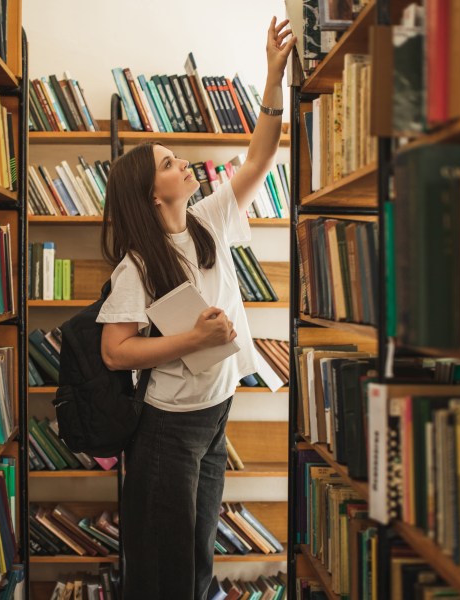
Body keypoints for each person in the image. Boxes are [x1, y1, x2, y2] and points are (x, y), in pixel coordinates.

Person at [96, 17, 295, 600]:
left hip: (215, 411)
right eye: (167, 163)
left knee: (197, 554)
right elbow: (115, 352)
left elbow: (258, 159)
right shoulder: (136, 264)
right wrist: (192, 342)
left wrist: (273, 76)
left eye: (175, 156)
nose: (181, 163)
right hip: (169, 429)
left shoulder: (209, 219)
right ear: (152, 195)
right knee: (165, 568)